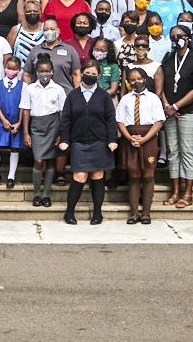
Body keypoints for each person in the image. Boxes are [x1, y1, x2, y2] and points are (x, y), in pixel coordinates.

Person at [57, 59, 119, 225]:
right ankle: (69, 212)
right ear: (82, 74)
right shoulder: (73, 95)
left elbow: (111, 119)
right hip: (79, 142)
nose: (90, 76)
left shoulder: (104, 96)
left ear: (98, 76)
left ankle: (97, 213)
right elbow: (66, 120)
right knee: (80, 175)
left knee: (98, 175)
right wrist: (64, 139)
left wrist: (112, 139)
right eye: (87, 73)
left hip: (99, 142)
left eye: (93, 74)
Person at [159, 24, 193, 208]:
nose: (176, 38)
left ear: (187, 38)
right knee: (173, 151)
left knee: (187, 151)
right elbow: (160, 84)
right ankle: (175, 191)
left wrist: (177, 106)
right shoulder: (168, 59)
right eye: (172, 35)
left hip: (190, 111)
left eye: (179, 35)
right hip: (169, 110)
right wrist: (167, 105)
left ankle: (188, 193)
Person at [115, 68, 166, 224]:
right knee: (134, 175)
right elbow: (120, 121)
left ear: (144, 79)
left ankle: (146, 213)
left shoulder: (153, 98)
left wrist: (145, 139)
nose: (135, 82)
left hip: (148, 136)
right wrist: (130, 137)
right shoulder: (125, 99)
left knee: (148, 175)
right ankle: (134, 212)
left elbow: (158, 122)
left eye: (138, 79)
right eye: (132, 80)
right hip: (130, 136)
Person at [21, 54, 67, 207]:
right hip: (36, 125)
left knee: (50, 161)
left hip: (53, 124)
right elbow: (26, 110)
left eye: (47, 70)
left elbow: (62, 112)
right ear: (36, 72)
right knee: (39, 160)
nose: (44, 74)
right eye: (41, 71)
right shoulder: (30, 88)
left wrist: (61, 133)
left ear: (52, 71)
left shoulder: (58, 89)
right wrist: (26, 132)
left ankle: (46, 194)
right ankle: (36, 193)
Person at [0, 56, 24, 187]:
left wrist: (19, 122)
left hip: (16, 121)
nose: (11, 71)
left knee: (14, 147)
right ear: (4, 68)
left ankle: (11, 176)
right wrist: (3, 119)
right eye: (9, 68)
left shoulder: (22, 86)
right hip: (0, 119)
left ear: (19, 70)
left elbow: (23, 105)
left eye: (14, 69)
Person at [7, 0, 44, 67]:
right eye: (29, 11)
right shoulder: (16, 30)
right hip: (19, 72)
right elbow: (7, 52)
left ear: (40, 12)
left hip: (41, 72)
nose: (32, 13)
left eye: (35, 11)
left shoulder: (45, 28)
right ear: (24, 12)